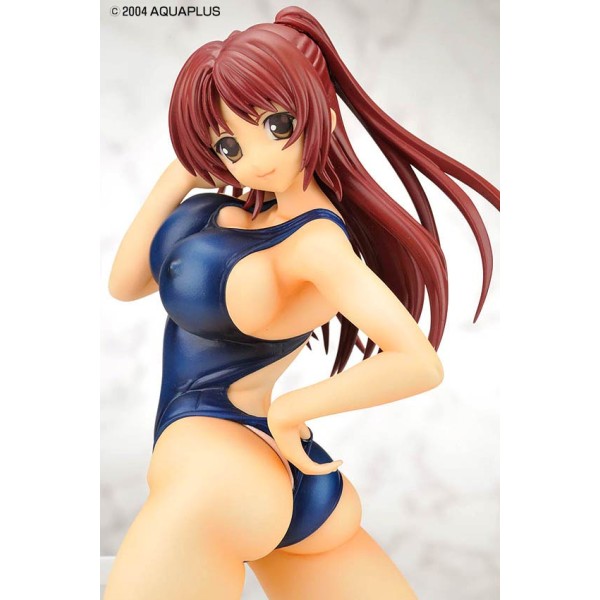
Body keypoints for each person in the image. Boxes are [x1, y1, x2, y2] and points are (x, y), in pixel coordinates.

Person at [104, 6, 499, 599]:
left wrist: (291, 409)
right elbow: (126, 283)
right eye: (229, 144)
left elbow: (419, 362)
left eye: (277, 124)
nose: (256, 158)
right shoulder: (230, 210)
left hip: (220, 467)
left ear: (324, 115)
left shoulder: (316, 243)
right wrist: (179, 174)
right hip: (273, 472)